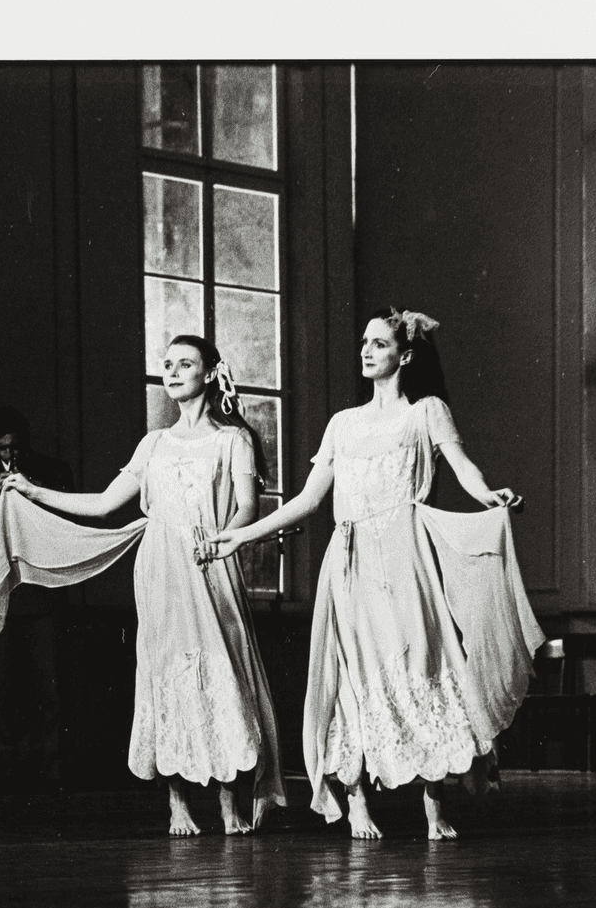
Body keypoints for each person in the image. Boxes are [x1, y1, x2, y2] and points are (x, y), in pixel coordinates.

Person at [207, 307, 544, 840]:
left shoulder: (426, 412)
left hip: (405, 554)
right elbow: (309, 499)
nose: (366, 351)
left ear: (404, 355)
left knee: (423, 663)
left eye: (379, 344)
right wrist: (243, 534)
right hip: (352, 560)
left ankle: (434, 805)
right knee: (356, 677)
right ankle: (357, 799)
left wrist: (487, 494)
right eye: (363, 342)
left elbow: (462, 466)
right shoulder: (344, 423)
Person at [0, 336, 286, 834]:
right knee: (165, 675)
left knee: (222, 673)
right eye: (168, 365)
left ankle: (228, 801)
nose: (174, 372)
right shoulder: (153, 443)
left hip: (210, 561)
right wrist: (30, 489)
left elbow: (247, 507)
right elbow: (101, 504)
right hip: (161, 566)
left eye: (186, 364)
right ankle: (177, 801)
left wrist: (227, 539)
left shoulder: (232, 439)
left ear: (209, 373)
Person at [0, 406, 74, 787]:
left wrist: (31, 492)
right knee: (2, 689)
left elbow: (68, 525)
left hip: (42, 596)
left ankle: (51, 768)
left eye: (15, 448)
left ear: (27, 442)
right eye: (2, 449)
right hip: (0, 597)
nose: (9, 456)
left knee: (48, 687)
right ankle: (7, 771)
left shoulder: (54, 471)